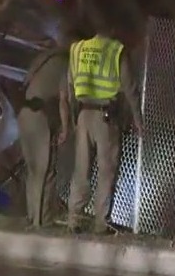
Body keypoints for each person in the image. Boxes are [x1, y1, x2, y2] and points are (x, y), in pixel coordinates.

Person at [60, 18, 142, 234]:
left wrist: (73, 118)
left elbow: (69, 87)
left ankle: (74, 219)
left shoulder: (77, 49)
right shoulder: (117, 51)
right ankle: (100, 223)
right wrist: (138, 120)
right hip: (106, 118)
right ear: (114, 29)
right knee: (106, 171)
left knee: (81, 169)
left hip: (84, 114)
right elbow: (130, 89)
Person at [18, 36, 71, 228]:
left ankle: (33, 216)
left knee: (32, 171)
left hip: (24, 113)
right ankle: (41, 223)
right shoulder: (65, 62)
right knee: (45, 171)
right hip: (41, 117)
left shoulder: (42, 58)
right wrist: (65, 128)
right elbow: (63, 99)